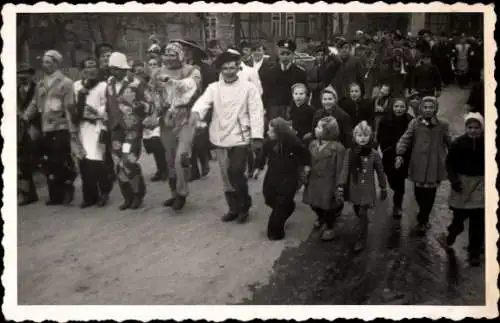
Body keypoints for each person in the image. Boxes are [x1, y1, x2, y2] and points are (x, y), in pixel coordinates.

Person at [190, 51, 264, 224]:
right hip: (220, 136)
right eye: (225, 68)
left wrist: (257, 136)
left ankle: (244, 205)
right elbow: (203, 102)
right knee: (225, 175)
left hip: (241, 136)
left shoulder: (248, 88)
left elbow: (256, 112)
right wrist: (196, 113)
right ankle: (233, 208)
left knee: (236, 171)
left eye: (232, 68)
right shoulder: (213, 88)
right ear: (220, 70)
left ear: (238, 68)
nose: (229, 71)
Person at [22, 50, 78, 206]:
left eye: (48, 62)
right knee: (48, 162)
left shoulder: (65, 82)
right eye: (44, 62)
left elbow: (69, 107)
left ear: (56, 63)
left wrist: (72, 129)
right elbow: (34, 103)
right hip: (46, 128)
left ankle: (67, 189)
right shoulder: (41, 83)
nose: (44, 65)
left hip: (61, 127)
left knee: (61, 159)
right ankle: (55, 195)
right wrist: (25, 116)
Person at [154, 42, 202, 211]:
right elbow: (153, 94)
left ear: (181, 55)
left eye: (173, 54)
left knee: (181, 157)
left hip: (186, 118)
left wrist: (173, 82)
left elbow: (193, 87)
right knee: (170, 158)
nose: (169, 58)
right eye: (166, 54)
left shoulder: (192, 71)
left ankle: (182, 193)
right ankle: (174, 192)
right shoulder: (158, 72)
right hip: (167, 120)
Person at [396, 96, 452, 235]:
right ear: (421, 108)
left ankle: (424, 217)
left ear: (435, 109)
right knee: (419, 191)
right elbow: (406, 138)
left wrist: (455, 155)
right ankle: (422, 211)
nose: (428, 110)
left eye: (431, 107)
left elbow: (449, 141)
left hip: (435, 162)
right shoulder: (415, 123)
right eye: (425, 107)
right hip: (418, 161)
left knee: (431, 192)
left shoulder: (442, 124)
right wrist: (399, 152)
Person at [438, 112, 484, 267]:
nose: (473, 130)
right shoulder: (458, 144)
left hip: (480, 184)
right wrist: (454, 180)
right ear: (466, 128)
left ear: (481, 128)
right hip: (462, 184)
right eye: (470, 127)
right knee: (459, 216)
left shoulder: (487, 143)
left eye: (476, 128)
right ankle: (451, 235)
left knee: (478, 220)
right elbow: (450, 164)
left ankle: (474, 252)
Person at [253, 117, 310, 240]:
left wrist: (306, 166)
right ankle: (288, 207)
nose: (268, 133)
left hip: (289, 177)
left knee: (281, 204)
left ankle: (275, 231)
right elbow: (262, 155)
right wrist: (258, 167)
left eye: (271, 131)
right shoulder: (269, 142)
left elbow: (304, 154)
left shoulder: (294, 143)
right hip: (272, 175)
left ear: (280, 132)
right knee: (269, 197)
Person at [106, 52, 147, 210]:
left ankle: (138, 194)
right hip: (115, 129)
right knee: (118, 163)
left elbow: (147, 102)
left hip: (131, 129)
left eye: (118, 69)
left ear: (124, 69)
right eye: (112, 69)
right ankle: (127, 196)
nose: (114, 72)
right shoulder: (109, 83)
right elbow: (109, 105)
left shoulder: (135, 83)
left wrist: (141, 108)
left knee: (128, 160)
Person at [339, 121, 388, 253]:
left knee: (362, 212)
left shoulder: (373, 154)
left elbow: (380, 171)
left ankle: (362, 237)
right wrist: (341, 185)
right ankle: (363, 223)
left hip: (367, 189)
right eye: (359, 135)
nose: (362, 138)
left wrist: (383, 187)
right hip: (354, 188)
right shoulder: (350, 152)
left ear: (370, 137)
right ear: (355, 136)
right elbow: (345, 168)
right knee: (357, 208)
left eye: (365, 135)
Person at [73, 57, 111, 208]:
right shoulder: (76, 86)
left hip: (97, 126)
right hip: (81, 127)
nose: (92, 69)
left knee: (96, 161)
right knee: (83, 161)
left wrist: (96, 113)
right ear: (82, 70)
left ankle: (104, 192)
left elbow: (106, 105)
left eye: (94, 66)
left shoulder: (102, 86)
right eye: (88, 66)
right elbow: (72, 104)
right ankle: (89, 196)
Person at [302, 116, 345, 241]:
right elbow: (308, 160)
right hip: (314, 180)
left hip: (329, 181)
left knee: (328, 206)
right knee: (313, 204)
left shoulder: (338, 148)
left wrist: (339, 185)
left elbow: (340, 168)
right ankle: (321, 217)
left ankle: (329, 226)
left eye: (319, 127)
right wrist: (306, 168)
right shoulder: (312, 144)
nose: (316, 129)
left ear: (328, 131)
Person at [377, 98, 413, 218]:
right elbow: (380, 137)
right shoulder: (385, 121)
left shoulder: (410, 120)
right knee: (392, 178)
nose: (399, 109)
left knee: (400, 181)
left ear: (406, 107)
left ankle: (397, 205)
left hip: (404, 155)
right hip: (389, 154)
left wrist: (404, 154)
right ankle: (395, 189)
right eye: (396, 106)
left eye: (402, 106)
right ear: (392, 107)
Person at [262, 39, 307, 120]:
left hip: (292, 109)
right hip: (274, 110)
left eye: (288, 54)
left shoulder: (300, 73)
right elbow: (265, 92)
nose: (285, 57)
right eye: (282, 54)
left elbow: (305, 93)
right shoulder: (269, 72)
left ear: (293, 55)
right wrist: (266, 108)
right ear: (278, 54)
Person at [17, 63, 40, 206]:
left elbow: (38, 105)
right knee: (23, 163)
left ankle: (57, 191)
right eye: (19, 73)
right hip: (21, 130)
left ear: (31, 75)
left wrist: (27, 116)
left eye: (24, 73)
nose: (21, 76)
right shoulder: (16, 90)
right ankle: (27, 194)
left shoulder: (37, 88)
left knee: (41, 160)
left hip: (35, 127)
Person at [143, 57, 168, 182]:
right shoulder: (146, 84)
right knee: (152, 146)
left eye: (155, 64)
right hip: (150, 118)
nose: (152, 66)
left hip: (163, 117)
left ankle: (165, 170)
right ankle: (160, 168)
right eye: (150, 64)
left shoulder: (164, 81)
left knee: (159, 144)